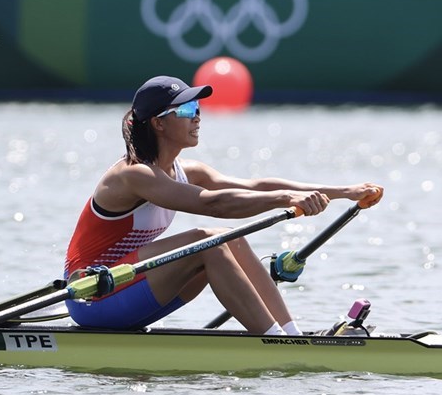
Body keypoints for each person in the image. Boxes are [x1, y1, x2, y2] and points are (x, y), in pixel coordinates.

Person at [63, 75, 383, 336]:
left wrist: (344, 191)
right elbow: (215, 204)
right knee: (210, 241)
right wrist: (287, 200)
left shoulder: (188, 171)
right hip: (93, 296)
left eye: (198, 107)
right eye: (187, 110)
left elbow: (256, 186)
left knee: (228, 238)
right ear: (158, 124)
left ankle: (290, 335)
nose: (198, 116)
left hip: (131, 287)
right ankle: (274, 341)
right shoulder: (134, 175)